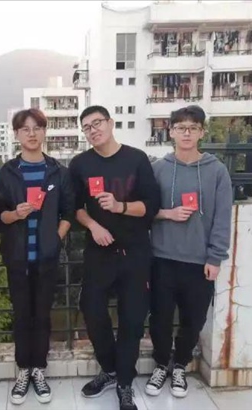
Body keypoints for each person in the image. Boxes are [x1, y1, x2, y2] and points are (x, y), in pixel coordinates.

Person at [69, 106, 161, 410]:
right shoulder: (80, 164)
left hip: (135, 252)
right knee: (92, 310)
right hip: (99, 252)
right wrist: (93, 226)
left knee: (132, 319)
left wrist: (120, 206)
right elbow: (75, 207)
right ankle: (109, 369)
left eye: (97, 123)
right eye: (86, 127)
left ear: (110, 123)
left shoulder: (136, 159)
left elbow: (151, 206)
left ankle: (124, 383)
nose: (93, 130)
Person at [145, 105, 232, 399]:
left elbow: (222, 218)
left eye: (193, 128)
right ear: (171, 132)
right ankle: (161, 364)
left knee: (193, 320)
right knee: (159, 318)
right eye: (181, 127)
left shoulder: (217, 171)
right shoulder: (158, 169)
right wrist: (167, 213)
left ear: (201, 133)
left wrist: (215, 257)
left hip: (199, 261)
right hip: (161, 258)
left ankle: (180, 365)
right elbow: (145, 211)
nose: (186, 133)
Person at [0, 109, 75, 405]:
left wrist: (56, 238)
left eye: (37, 128)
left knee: (42, 316)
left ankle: (39, 370)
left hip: (46, 257)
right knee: (21, 316)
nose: (31, 133)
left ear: (44, 132)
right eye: (25, 129)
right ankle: (23, 371)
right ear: (16, 134)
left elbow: (68, 212)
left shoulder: (58, 172)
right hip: (17, 256)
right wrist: (15, 214)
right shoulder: (6, 172)